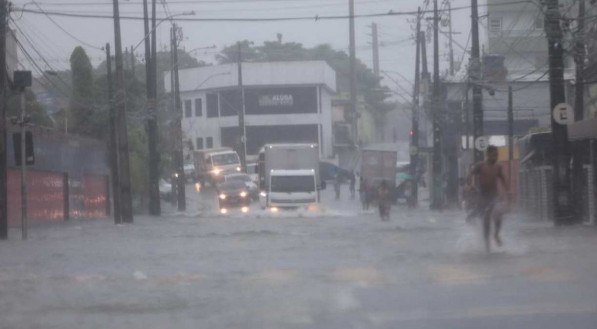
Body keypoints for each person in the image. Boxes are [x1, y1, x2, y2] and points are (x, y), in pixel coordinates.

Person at [465, 145, 509, 252]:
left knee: (498, 214)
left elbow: (503, 180)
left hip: (494, 196)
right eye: (494, 155)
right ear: (488, 154)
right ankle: (487, 246)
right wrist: (470, 184)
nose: (496, 157)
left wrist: (507, 192)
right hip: (483, 197)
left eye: (497, 155)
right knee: (486, 219)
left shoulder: (498, 167)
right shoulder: (480, 165)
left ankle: (496, 234)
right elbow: (470, 174)